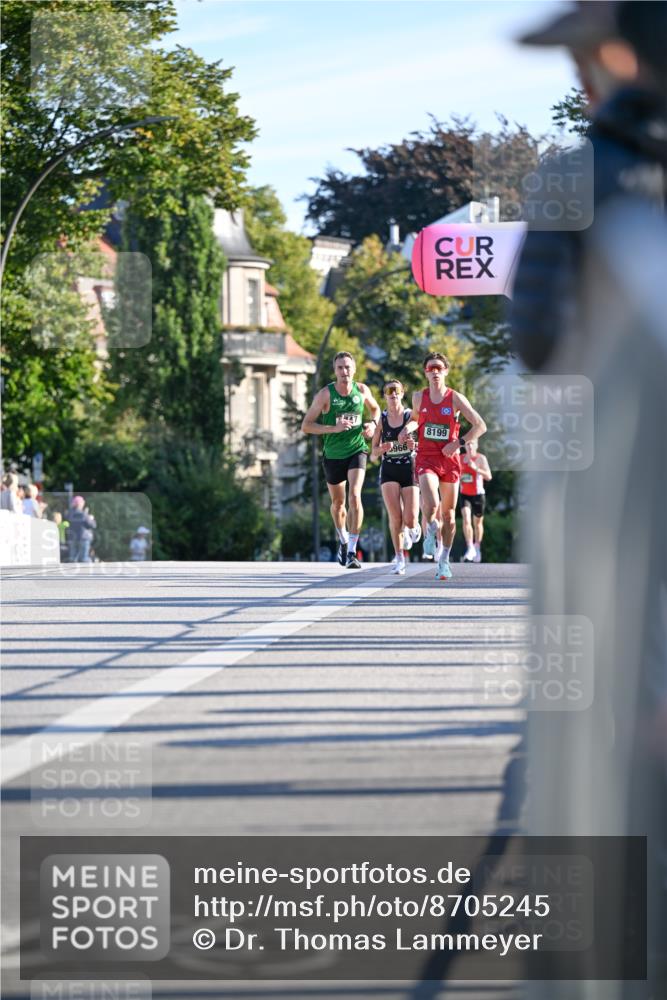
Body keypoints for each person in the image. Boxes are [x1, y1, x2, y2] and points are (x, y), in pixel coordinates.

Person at [399, 352, 486, 582]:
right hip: (426, 457)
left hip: (450, 461)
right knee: (431, 502)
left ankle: (444, 560)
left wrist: (458, 442)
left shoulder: (455, 398)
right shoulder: (419, 397)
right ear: (425, 372)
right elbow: (416, 419)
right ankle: (429, 531)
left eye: (439, 367)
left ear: (446, 371)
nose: (435, 371)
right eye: (430, 368)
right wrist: (409, 428)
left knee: (448, 516)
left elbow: (480, 426)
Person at [302, 351, 381, 569]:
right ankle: (344, 541)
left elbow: (376, 410)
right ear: (335, 371)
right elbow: (306, 425)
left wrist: (373, 425)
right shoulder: (325, 395)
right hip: (333, 455)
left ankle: (353, 551)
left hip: (357, 450)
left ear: (354, 369)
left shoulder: (362, 390)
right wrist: (333, 428)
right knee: (338, 504)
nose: (344, 372)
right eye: (340, 368)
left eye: (348, 367)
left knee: (355, 496)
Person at [371, 379, 421, 576]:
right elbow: (373, 452)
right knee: (395, 517)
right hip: (389, 469)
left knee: (409, 520)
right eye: (389, 391)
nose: (393, 394)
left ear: (402, 393)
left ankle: (414, 527)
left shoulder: (410, 416)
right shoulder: (382, 420)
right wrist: (382, 448)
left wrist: (413, 445)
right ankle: (399, 557)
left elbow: (419, 440)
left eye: (396, 391)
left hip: (409, 468)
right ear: (384, 396)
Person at [458, 440, 492, 563]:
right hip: (464, 494)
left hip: (478, 494)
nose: (470, 446)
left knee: (477, 523)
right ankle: (470, 547)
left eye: (472, 443)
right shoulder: (460, 458)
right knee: (466, 519)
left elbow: (489, 476)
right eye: (468, 444)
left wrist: (476, 468)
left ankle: (477, 546)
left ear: (477, 445)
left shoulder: (481, 458)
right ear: (465, 446)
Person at [67, 495, 96, 563]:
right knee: (84, 558)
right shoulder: (83, 514)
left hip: (73, 537)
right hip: (84, 538)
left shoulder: (69, 514)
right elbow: (92, 525)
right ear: (80, 504)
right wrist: (91, 518)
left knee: (73, 558)